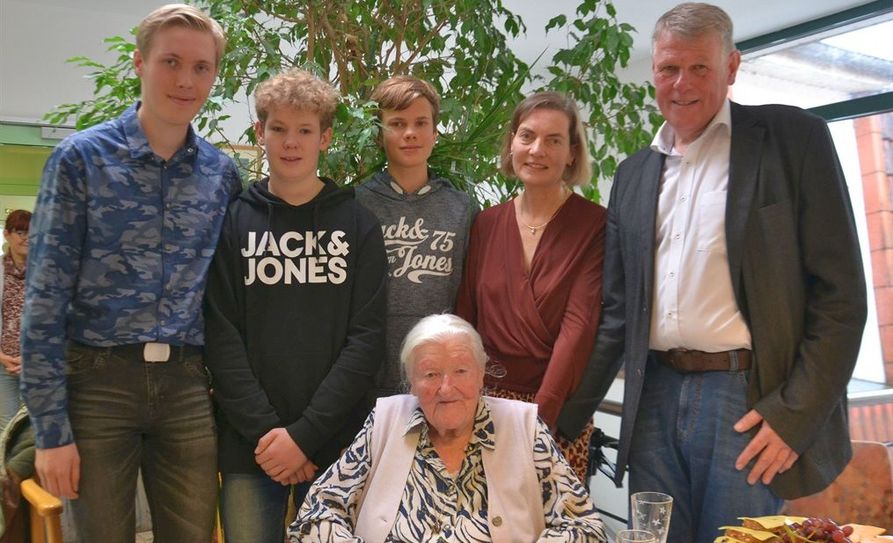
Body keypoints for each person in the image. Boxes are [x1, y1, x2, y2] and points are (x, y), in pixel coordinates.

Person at [557, 3, 867, 542]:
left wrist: (793, 416)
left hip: (746, 400)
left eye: (700, 68)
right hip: (651, 395)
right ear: (654, 70)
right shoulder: (632, 174)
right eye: (669, 68)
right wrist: (560, 425)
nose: (682, 83)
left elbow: (841, 299)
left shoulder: (793, 139)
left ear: (731, 67)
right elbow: (616, 314)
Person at [20, 4, 241, 541]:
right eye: (171, 61)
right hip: (98, 385)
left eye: (201, 67)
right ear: (139, 64)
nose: (186, 80)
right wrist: (50, 431)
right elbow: (44, 300)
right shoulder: (80, 159)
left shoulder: (221, 174)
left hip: (187, 386)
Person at [203, 67, 387, 543]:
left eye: (304, 130)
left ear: (324, 137)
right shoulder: (233, 222)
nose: (291, 142)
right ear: (259, 132)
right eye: (278, 128)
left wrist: (304, 435)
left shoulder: (358, 225)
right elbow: (221, 337)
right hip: (251, 445)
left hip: (336, 442)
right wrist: (271, 434)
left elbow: (365, 342)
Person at [290, 313, 607, 542]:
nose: (446, 388)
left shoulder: (523, 427)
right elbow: (316, 513)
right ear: (411, 383)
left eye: (460, 371)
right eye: (429, 375)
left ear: (482, 375)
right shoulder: (385, 422)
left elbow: (585, 526)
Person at [455, 91, 605, 482]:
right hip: (481, 407)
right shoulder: (485, 223)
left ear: (572, 153)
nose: (537, 149)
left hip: (553, 413)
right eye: (527, 136)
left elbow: (579, 326)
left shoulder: (595, 225)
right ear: (511, 143)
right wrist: (461, 400)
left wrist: (538, 421)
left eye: (553, 140)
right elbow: (466, 317)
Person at [355, 75, 477, 404]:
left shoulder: (461, 207)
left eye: (421, 122)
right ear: (379, 135)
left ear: (435, 133)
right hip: (369, 377)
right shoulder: (358, 205)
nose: (410, 133)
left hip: (441, 380)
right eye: (397, 123)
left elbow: (468, 295)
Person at [0, 210, 31, 432]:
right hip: (3, 364)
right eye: (21, 232)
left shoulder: (47, 272)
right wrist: (2, 357)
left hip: (40, 364)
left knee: (37, 428)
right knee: (7, 426)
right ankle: (4, 468)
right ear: (7, 234)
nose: (27, 238)